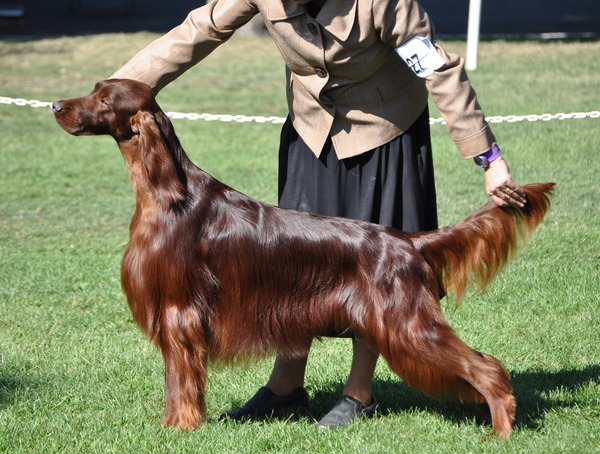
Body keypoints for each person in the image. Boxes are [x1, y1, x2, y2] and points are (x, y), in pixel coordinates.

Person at [110, 0, 527, 428]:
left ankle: (358, 393)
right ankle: (285, 388)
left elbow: (433, 65)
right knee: (293, 259)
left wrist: (488, 157)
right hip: (310, 129)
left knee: (376, 270)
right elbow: (198, 29)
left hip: (383, 126)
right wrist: (115, 91)